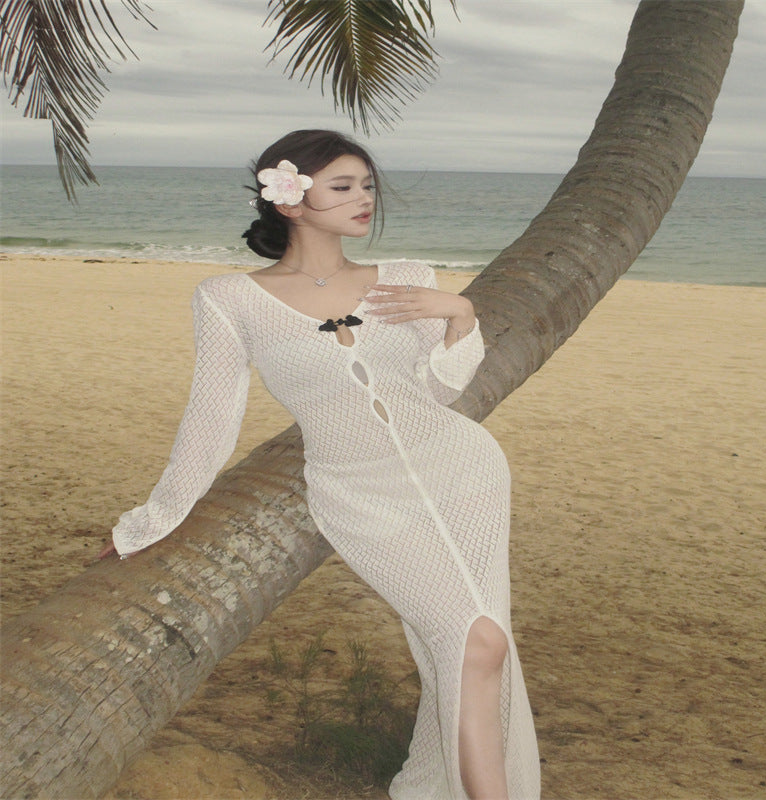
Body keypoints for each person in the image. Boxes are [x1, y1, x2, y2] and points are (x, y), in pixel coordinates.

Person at [101, 129, 540, 800]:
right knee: (473, 642)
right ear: (291, 199)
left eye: (368, 185)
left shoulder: (407, 279)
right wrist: (151, 520)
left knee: (478, 645)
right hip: (360, 497)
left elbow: (441, 391)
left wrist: (460, 316)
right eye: (344, 186)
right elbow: (212, 418)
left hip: (461, 472)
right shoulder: (230, 299)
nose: (364, 199)